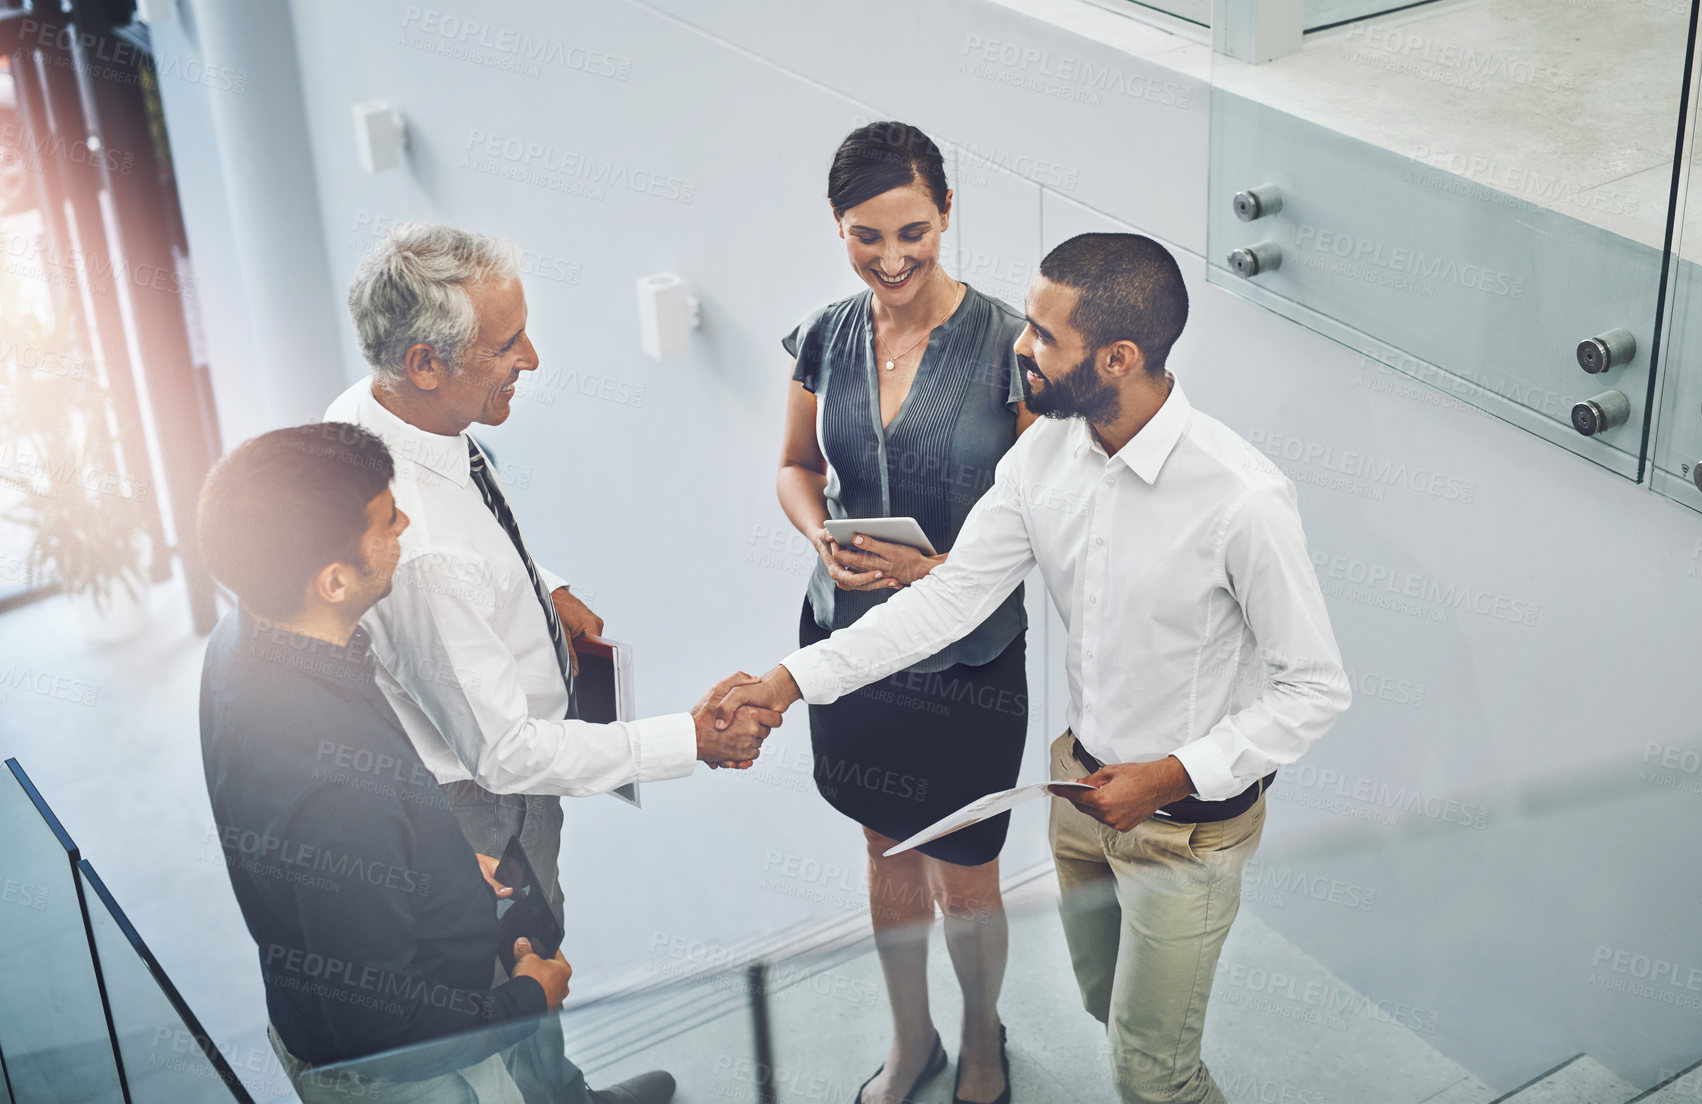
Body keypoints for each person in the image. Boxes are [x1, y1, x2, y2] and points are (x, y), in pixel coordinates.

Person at [718, 233, 1353, 1104]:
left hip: (1185, 822)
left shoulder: (1241, 499)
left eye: (1045, 336)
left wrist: (1167, 776)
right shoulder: (1042, 457)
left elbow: (1315, 688)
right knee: (1106, 1007)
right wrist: (788, 683)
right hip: (1079, 792)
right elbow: (947, 601)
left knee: (1151, 1071)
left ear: (1117, 357)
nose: (1020, 345)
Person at [328, 222, 777, 1104]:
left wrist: (545, 585)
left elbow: (474, 528)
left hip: (484, 772)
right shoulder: (424, 556)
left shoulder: (380, 412)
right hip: (483, 809)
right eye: (505, 345)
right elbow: (508, 754)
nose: (530, 357)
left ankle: (560, 1094)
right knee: (519, 970)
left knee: (531, 976)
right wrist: (689, 740)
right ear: (424, 362)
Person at [196, 423, 571, 1103]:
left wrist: (445, 871)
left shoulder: (243, 638)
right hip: (416, 1077)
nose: (404, 523)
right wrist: (526, 1000)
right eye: (387, 518)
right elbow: (387, 1033)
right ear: (333, 579)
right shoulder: (338, 794)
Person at [776, 121, 1034, 1104]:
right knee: (883, 847)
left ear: (947, 215)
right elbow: (797, 466)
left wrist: (941, 573)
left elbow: (1043, 518)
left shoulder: (1013, 346)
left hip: (965, 657)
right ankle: (908, 1039)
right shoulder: (824, 335)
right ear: (837, 227)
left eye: (912, 233)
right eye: (864, 236)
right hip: (849, 639)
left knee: (964, 871)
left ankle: (979, 1044)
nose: (890, 260)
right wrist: (817, 536)